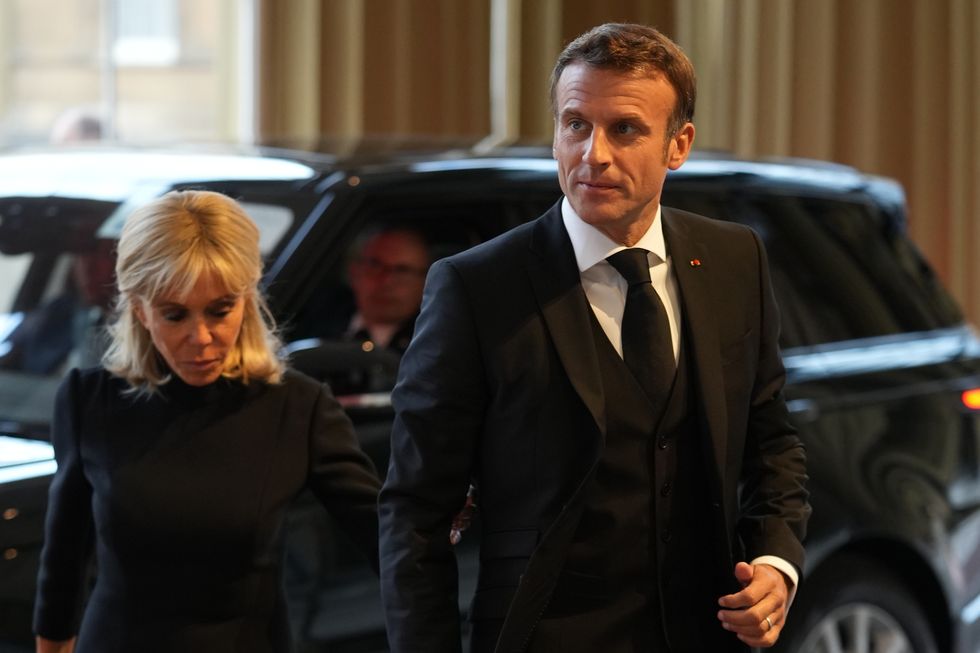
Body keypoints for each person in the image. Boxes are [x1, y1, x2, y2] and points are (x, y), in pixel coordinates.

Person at [379, 22, 810, 653]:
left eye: (625, 129)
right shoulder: (477, 287)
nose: (593, 153)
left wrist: (775, 562)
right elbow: (416, 511)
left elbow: (771, 441)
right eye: (575, 124)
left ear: (678, 145)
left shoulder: (734, 259)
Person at [32, 190, 381, 653]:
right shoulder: (89, 400)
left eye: (220, 311)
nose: (201, 338)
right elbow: (64, 557)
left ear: (247, 300)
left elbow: (388, 541)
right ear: (139, 309)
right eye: (175, 314)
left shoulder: (297, 408)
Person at [345, 226, 431, 354]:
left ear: (425, 282)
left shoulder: (433, 344)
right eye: (375, 266)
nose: (386, 282)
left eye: (402, 271)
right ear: (354, 271)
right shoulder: (319, 322)